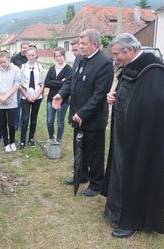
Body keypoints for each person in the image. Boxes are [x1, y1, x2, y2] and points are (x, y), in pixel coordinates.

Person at [103, 33, 164, 238]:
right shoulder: (130, 66)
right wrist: (114, 96)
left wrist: (130, 108)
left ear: (129, 50)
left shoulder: (153, 69)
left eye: (116, 54)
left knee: (135, 172)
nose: (115, 58)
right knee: (120, 169)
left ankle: (133, 219)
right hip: (125, 132)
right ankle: (116, 211)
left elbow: (154, 104)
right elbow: (126, 92)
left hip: (141, 137)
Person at [53, 29, 114, 197]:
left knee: (94, 152)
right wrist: (61, 94)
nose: (80, 47)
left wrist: (83, 113)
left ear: (95, 44)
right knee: (79, 149)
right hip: (76, 115)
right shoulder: (80, 59)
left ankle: (96, 184)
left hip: (93, 118)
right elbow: (71, 81)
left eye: (84, 44)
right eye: (80, 43)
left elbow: (100, 94)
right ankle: (80, 175)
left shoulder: (105, 63)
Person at [0, 51, 21, 152]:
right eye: (1, 62)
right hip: (0, 102)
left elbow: (17, 84)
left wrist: (7, 96)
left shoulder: (16, 69)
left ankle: (12, 141)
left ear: (9, 60)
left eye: (4, 62)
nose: (2, 64)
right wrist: (0, 97)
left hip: (11, 101)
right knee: (2, 123)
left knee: (12, 124)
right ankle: (6, 143)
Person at [19, 45, 45, 150]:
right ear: (26, 55)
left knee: (33, 119)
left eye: (33, 55)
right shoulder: (22, 67)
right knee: (25, 119)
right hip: (25, 96)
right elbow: (20, 84)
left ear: (36, 55)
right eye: (29, 55)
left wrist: (36, 96)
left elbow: (43, 84)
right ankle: (22, 140)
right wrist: (26, 96)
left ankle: (31, 139)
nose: (31, 57)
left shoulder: (40, 67)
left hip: (36, 97)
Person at [44, 47, 72, 143]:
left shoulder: (69, 69)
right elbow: (46, 83)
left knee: (60, 121)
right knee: (49, 120)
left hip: (63, 99)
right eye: (56, 56)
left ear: (64, 56)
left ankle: (59, 140)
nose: (58, 58)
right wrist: (60, 82)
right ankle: (52, 138)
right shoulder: (52, 69)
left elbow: (68, 84)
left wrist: (54, 82)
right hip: (51, 98)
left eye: (60, 56)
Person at [11, 42, 29, 130]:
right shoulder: (14, 58)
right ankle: (16, 123)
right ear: (21, 48)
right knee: (17, 104)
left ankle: (24, 123)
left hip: (27, 85)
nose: (25, 49)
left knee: (25, 105)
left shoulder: (30, 58)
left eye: (27, 48)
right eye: (23, 47)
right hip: (17, 85)